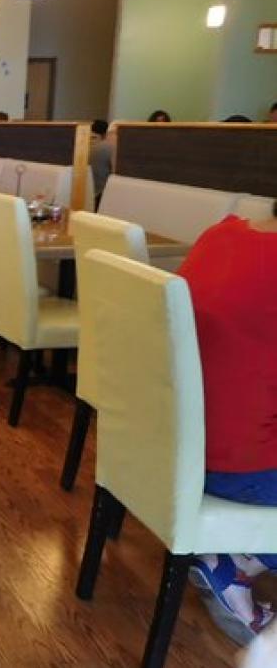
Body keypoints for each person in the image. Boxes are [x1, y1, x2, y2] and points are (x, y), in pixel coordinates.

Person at [177, 207, 277, 646]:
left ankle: (236, 559)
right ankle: (242, 554)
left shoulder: (218, 235)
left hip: (175, 453)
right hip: (239, 471)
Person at [88, 119, 114, 202]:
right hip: (100, 194)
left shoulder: (105, 148)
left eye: (93, 138)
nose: (90, 141)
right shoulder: (108, 148)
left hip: (92, 193)